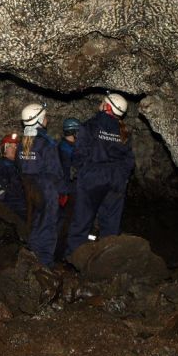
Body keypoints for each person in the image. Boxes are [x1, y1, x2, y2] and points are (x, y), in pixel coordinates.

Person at [65, 92, 135, 260]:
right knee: (110, 225)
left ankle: (75, 259)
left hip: (93, 177)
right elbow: (130, 160)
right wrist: (121, 176)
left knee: (82, 221)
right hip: (116, 179)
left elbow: (79, 153)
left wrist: (83, 171)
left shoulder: (90, 125)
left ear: (107, 106)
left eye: (103, 101)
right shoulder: (124, 131)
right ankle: (107, 261)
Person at [17, 102, 63, 269]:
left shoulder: (23, 142)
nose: (47, 119)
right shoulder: (46, 143)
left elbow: (19, 166)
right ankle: (44, 262)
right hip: (46, 189)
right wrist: (62, 190)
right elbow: (55, 171)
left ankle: (32, 253)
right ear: (39, 120)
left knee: (37, 221)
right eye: (45, 117)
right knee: (48, 226)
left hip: (30, 188)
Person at [55, 117, 81, 259]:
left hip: (63, 190)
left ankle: (60, 252)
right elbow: (70, 171)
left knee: (63, 221)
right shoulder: (68, 149)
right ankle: (61, 254)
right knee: (66, 222)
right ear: (73, 132)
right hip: (68, 191)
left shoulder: (61, 146)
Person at [0, 132, 27, 221]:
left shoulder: (14, 165)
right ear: (5, 149)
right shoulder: (2, 165)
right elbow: (15, 188)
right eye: (11, 146)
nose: (15, 149)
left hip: (13, 199)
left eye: (16, 147)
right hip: (10, 202)